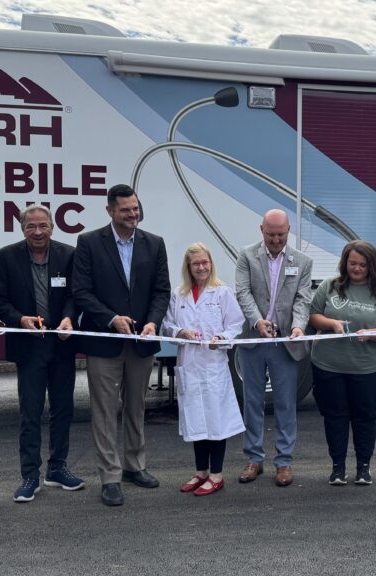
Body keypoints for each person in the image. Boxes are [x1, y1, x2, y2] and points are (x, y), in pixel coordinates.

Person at [72, 184, 171, 506]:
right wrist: (111, 318)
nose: (133, 214)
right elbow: (81, 291)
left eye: (135, 208)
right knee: (104, 410)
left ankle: (134, 465)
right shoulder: (89, 243)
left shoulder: (154, 244)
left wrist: (154, 322)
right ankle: (110, 476)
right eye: (126, 209)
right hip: (106, 341)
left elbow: (161, 291)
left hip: (142, 340)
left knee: (136, 407)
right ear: (110, 211)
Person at [0, 204, 83, 503]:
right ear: (22, 228)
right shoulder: (7, 256)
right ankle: (29, 475)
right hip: (29, 346)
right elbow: (0, 300)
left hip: (61, 343)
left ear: (53, 227)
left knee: (63, 409)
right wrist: (20, 319)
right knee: (30, 412)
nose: (38, 231)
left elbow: (74, 295)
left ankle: (58, 468)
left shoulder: (68, 254)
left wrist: (70, 317)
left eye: (43, 225)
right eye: (31, 226)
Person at [235, 209, 312, 487]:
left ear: (288, 230)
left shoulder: (302, 261)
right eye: (271, 235)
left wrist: (299, 326)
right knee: (252, 402)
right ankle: (254, 458)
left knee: (285, 403)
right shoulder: (246, 255)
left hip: (284, 343)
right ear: (261, 230)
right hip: (253, 340)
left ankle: (284, 462)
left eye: (281, 235)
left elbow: (303, 299)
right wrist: (257, 322)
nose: (276, 240)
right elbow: (242, 292)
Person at [308, 240, 376, 486]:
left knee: (364, 417)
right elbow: (314, 316)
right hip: (328, 364)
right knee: (334, 416)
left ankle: (363, 468)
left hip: (366, 367)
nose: (356, 269)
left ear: (372, 266)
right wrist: (332, 325)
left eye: (362, 265)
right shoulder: (330, 286)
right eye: (352, 263)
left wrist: (370, 333)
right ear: (345, 262)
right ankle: (337, 468)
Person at [161, 243, 246, 497]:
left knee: (215, 420)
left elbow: (236, 324)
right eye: (196, 263)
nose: (201, 267)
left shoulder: (222, 292)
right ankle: (200, 472)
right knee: (197, 420)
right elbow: (168, 324)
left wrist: (221, 337)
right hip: (189, 365)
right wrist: (181, 332)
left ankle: (216, 474)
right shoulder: (179, 294)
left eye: (205, 262)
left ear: (211, 263)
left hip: (213, 366)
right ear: (188, 267)